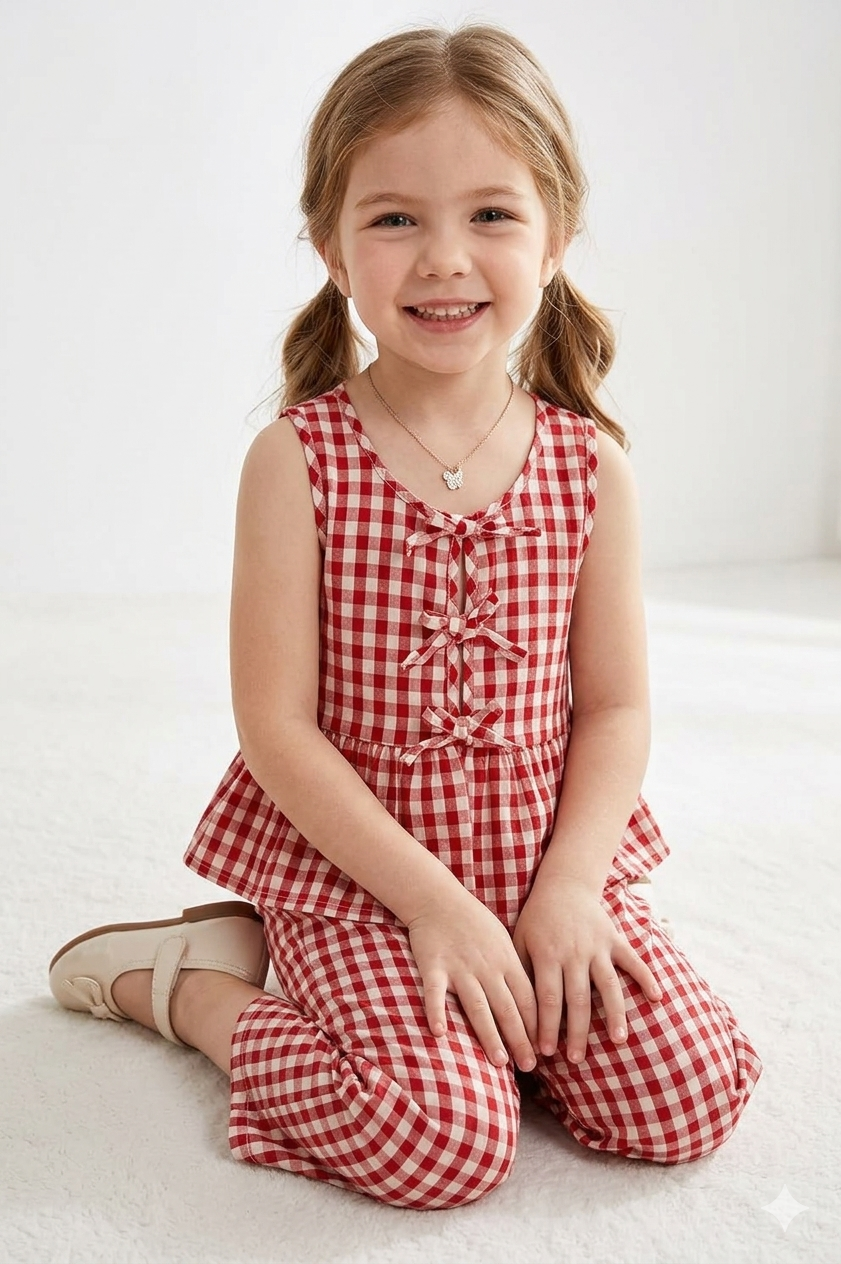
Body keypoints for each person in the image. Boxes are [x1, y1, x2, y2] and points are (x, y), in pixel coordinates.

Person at [48, 23, 762, 1210]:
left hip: (546, 865)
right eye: (393, 219)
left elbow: (618, 706)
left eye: (491, 215)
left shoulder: (591, 467)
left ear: (557, 237)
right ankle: (191, 983)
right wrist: (434, 906)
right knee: (439, 1139)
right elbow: (276, 729)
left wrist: (571, 889)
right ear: (329, 244)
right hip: (365, 876)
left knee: (687, 1092)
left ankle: (503, 1015)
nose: (443, 258)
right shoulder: (298, 459)